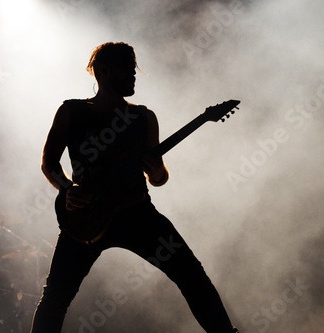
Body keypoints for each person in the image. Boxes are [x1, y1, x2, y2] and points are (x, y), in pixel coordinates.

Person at [31, 42, 239, 333]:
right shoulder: (72, 111)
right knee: (55, 298)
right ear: (103, 71)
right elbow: (48, 161)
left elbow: (159, 177)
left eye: (134, 70)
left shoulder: (143, 117)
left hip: (136, 212)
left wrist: (158, 172)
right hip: (87, 215)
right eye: (127, 69)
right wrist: (67, 188)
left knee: (192, 276)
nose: (133, 76)